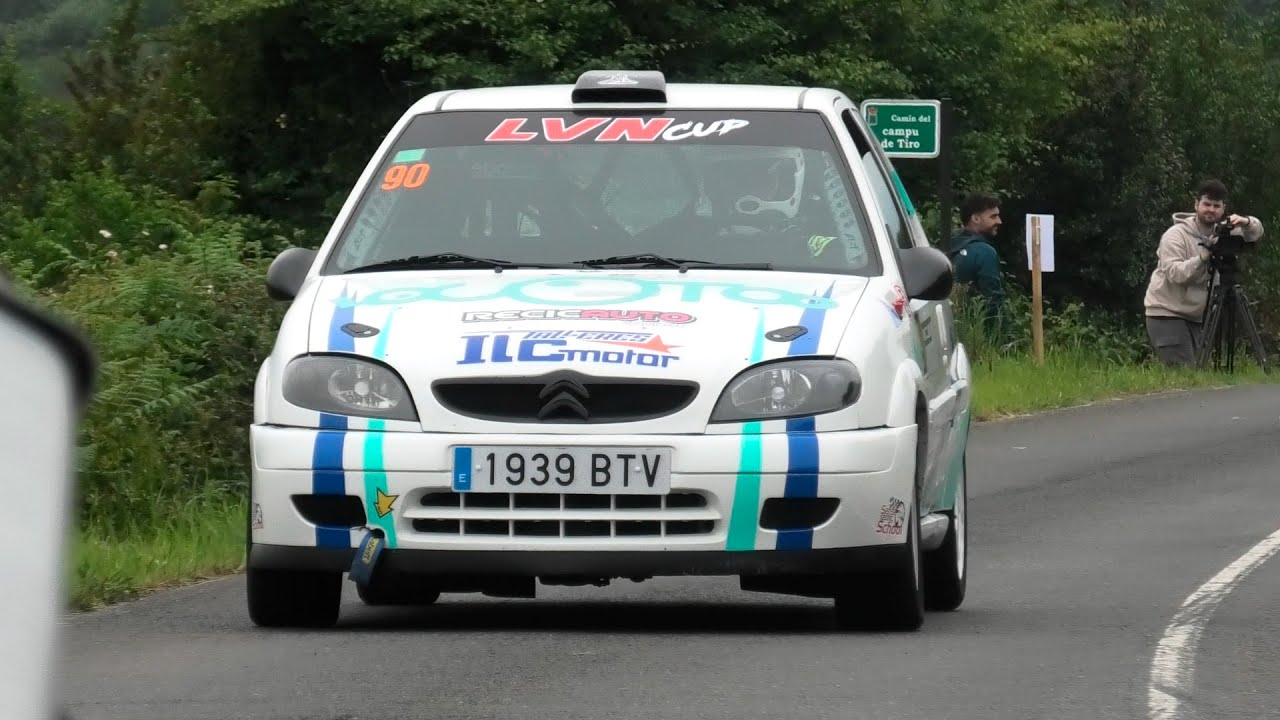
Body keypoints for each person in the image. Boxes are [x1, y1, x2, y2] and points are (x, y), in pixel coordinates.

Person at [1143, 178, 1264, 367]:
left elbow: (1255, 233)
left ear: (1224, 208)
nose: (1211, 210)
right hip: (1167, 313)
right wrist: (1204, 255)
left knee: (1200, 378)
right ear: (1196, 204)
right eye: (1206, 204)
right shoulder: (1175, 235)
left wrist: (1246, 222)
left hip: (1197, 316)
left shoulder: (1223, 233)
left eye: (1217, 206)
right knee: (1186, 374)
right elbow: (1176, 274)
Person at [948, 192, 1006, 329]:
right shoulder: (984, 252)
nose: (999, 221)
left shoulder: (949, 245)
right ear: (975, 218)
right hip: (976, 330)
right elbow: (993, 300)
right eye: (993, 216)